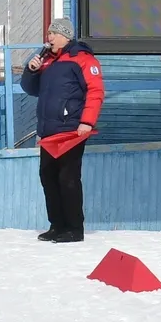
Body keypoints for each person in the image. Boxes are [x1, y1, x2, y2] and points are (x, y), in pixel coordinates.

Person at [19, 18, 104, 243]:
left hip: (72, 130)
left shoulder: (83, 59)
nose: (49, 38)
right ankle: (57, 225)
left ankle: (74, 229)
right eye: (48, 34)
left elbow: (95, 91)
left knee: (68, 178)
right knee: (48, 177)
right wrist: (31, 71)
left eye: (53, 34)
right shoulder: (47, 61)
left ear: (65, 36)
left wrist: (87, 122)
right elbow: (30, 89)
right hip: (49, 131)